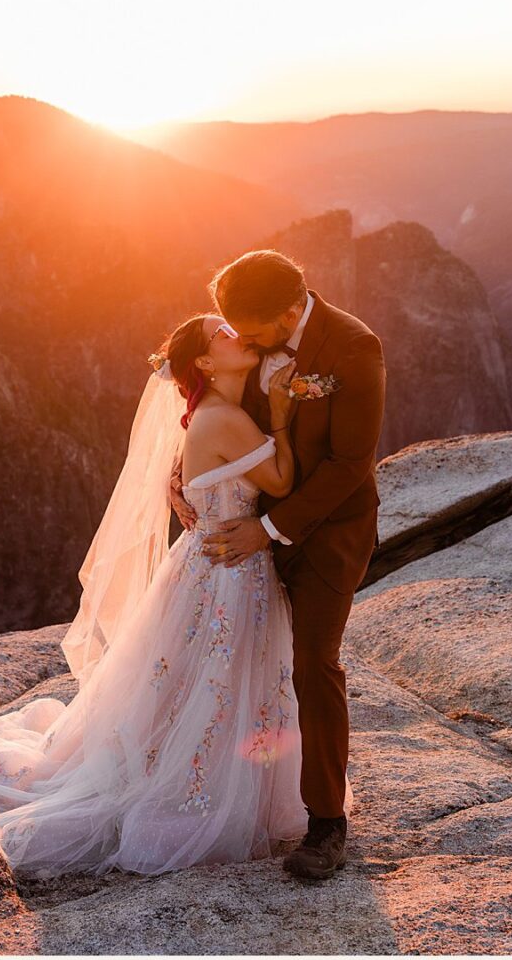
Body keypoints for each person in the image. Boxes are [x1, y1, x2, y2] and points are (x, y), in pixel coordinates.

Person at [0, 311, 328, 879]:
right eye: (222, 334)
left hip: (222, 563)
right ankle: (197, 787)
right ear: (204, 362)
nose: (238, 335)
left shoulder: (216, 412)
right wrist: (280, 413)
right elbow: (280, 482)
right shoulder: (222, 417)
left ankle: (216, 775)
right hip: (226, 573)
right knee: (214, 678)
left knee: (203, 680)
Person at [172, 249, 386, 881]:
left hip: (325, 535)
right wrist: (179, 474)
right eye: (232, 327)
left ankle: (325, 825)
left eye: (254, 330)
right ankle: (226, 791)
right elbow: (213, 405)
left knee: (313, 661)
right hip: (246, 527)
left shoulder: (353, 347)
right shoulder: (251, 335)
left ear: (290, 310)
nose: (243, 338)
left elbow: (351, 465)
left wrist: (268, 530)